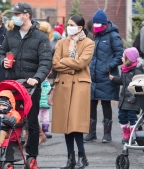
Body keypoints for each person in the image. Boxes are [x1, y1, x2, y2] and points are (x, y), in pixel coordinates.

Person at [0, 2, 52, 164]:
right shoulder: (10, 34)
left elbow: (45, 62)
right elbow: (2, 52)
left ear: (26, 15)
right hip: (13, 84)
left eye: (17, 14)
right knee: (10, 118)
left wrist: (36, 78)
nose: (14, 18)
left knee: (31, 120)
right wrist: (3, 62)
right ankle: (11, 154)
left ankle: (32, 155)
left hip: (31, 85)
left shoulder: (41, 37)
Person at [51, 14, 95, 169]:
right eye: (68, 24)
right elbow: (55, 64)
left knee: (76, 123)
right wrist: (70, 64)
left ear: (80, 27)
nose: (69, 27)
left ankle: (82, 156)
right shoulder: (61, 42)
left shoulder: (89, 43)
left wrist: (65, 61)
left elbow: (82, 63)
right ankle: (71, 158)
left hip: (79, 86)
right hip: (63, 85)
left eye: (71, 24)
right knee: (65, 123)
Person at [85, 9, 124, 143]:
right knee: (92, 103)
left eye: (97, 23)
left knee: (106, 103)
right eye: (94, 23)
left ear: (104, 24)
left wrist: (109, 66)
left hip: (107, 76)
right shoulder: (96, 36)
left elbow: (120, 55)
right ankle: (91, 132)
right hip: (94, 76)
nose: (95, 25)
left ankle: (107, 134)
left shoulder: (113, 36)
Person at [109, 47, 143, 143]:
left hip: (132, 101)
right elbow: (122, 82)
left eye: (123, 57)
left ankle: (134, 135)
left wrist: (134, 97)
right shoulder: (124, 70)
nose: (121, 59)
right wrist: (114, 79)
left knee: (132, 118)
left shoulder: (137, 72)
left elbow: (139, 87)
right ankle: (126, 134)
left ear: (129, 59)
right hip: (123, 100)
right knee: (122, 117)